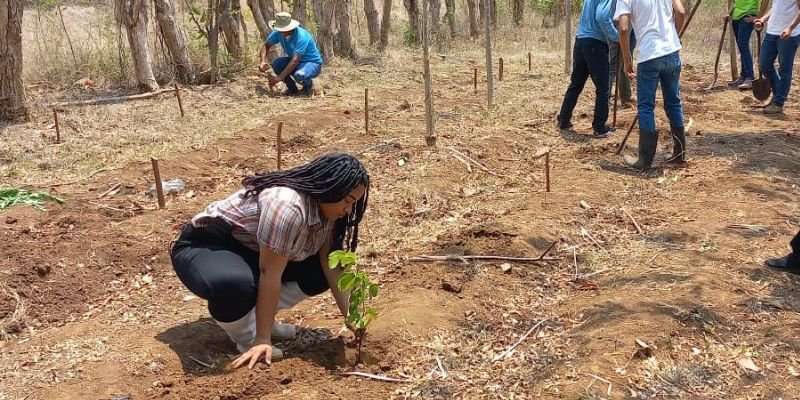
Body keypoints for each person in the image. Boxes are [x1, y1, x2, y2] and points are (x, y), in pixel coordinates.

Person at [170, 153, 369, 369]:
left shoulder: (329, 214)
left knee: (321, 273)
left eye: (354, 203)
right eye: (348, 201)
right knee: (233, 284)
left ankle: (260, 319)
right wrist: (262, 339)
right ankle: (248, 337)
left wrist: (353, 318)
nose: (349, 210)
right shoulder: (288, 207)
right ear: (330, 189)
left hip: (253, 252)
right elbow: (269, 272)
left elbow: (332, 268)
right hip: (209, 245)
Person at [616, 0, 688, 169]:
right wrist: (674, 36)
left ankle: (645, 159)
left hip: (650, 55)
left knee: (646, 106)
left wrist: (627, 59)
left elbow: (624, 28)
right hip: (672, 52)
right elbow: (681, 12)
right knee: (673, 102)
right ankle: (679, 154)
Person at [556, 0, 619, 138]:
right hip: (595, 44)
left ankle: (563, 119)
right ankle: (599, 127)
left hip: (581, 41)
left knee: (576, 84)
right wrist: (616, 36)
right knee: (603, 87)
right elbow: (602, 17)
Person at [259, 12, 324, 97]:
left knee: (300, 74)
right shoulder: (278, 33)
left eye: (284, 29)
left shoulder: (301, 36)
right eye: (280, 29)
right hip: (296, 62)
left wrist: (279, 78)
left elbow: (295, 60)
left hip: (311, 63)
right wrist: (262, 61)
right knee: (276, 64)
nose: (281, 32)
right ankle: (292, 89)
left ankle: (308, 87)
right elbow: (266, 45)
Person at [754, 0, 800, 114]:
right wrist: (763, 19)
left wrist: (790, 28)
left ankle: (778, 103)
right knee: (763, 64)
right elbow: (776, 7)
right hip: (772, 32)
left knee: (784, 69)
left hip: (789, 34)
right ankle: (778, 94)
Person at [607, 0, 638, 108]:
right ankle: (604, 100)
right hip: (620, 14)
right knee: (614, 63)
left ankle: (626, 96)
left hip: (632, 14)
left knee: (627, 56)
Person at [726, 0, 763, 90]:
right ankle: (743, 76)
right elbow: (734, 2)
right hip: (736, 16)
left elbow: (765, 1)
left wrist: (759, 17)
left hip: (747, 15)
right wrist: (729, 13)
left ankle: (750, 77)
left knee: (743, 45)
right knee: (741, 47)